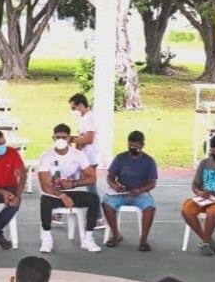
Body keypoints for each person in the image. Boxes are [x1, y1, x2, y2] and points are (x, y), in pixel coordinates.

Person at [36, 124, 102, 254]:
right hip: (53, 194)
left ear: (69, 138)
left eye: (64, 137)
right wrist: (62, 195)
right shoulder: (46, 156)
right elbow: (45, 185)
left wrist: (74, 183)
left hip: (72, 191)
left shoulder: (78, 155)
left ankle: (88, 238)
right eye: (58, 137)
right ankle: (47, 238)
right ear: (53, 138)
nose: (61, 140)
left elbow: (92, 177)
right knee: (45, 201)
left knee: (93, 199)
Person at [101, 130, 159, 251]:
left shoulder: (148, 161)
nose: (132, 148)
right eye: (130, 146)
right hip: (121, 192)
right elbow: (110, 177)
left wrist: (140, 190)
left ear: (142, 145)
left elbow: (152, 183)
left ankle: (143, 239)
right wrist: (115, 186)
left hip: (140, 193)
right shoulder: (120, 158)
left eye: (135, 146)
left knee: (150, 207)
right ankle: (116, 234)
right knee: (106, 203)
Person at [68, 92, 99, 197]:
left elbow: (89, 138)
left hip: (90, 156)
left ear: (80, 105)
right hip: (83, 155)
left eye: (73, 108)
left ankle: (95, 212)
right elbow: (81, 137)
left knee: (90, 186)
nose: (72, 111)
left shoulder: (90, 117)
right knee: (89, 186)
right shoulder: (83, 118)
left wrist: (71, 139)